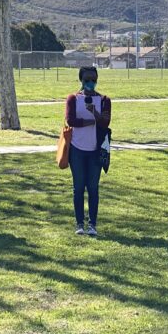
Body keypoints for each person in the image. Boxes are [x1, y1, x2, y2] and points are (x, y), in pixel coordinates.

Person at [65, 66, 111, 236]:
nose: (90, 83)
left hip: (95, 151)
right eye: (87, 80)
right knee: (78, 188)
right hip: (76, 150)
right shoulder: (73, 99)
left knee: (93, 188)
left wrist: (94, 113)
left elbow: (105, 123)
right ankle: (79, 224)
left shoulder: (104, 100)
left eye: (93, 79)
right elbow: (71, 120)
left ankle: (92, 224)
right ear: (81, 81)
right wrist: (90, 122)